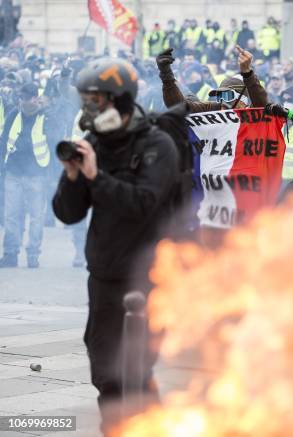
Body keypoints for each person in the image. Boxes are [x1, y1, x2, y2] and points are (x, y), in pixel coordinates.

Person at [52, 58, 179, 434]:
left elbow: (143, 203)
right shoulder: (95, 143)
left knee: (135, 376)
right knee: (107, 376)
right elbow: (68, 213)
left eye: (97, 101)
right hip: (104, 278)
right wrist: (74, 178)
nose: (90, 110)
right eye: (86, 101)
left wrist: (96, 176)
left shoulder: (158, 145)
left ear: (120, 102)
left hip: (147, 279)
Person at [0, 83, 50, 268]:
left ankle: (33, 255)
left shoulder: (45, 117)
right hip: (13, 173)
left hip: (36, 175)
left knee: (36, 216)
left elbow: (54, 144)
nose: (23, 101)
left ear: (35, 98)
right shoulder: (14, 114)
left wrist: (52, 175)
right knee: (11, 216)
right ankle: (10, 254)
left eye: (26, 98)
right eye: (21, 98)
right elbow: (4, 140)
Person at [156, 45, 267, 113]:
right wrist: (166, 75)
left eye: (227, 96)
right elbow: (180, 108)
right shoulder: (214, 109)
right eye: (219, 96)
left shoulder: (254, 115)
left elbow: (262, 106)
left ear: (243, 101)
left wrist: (247, 73)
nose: (221, 102)